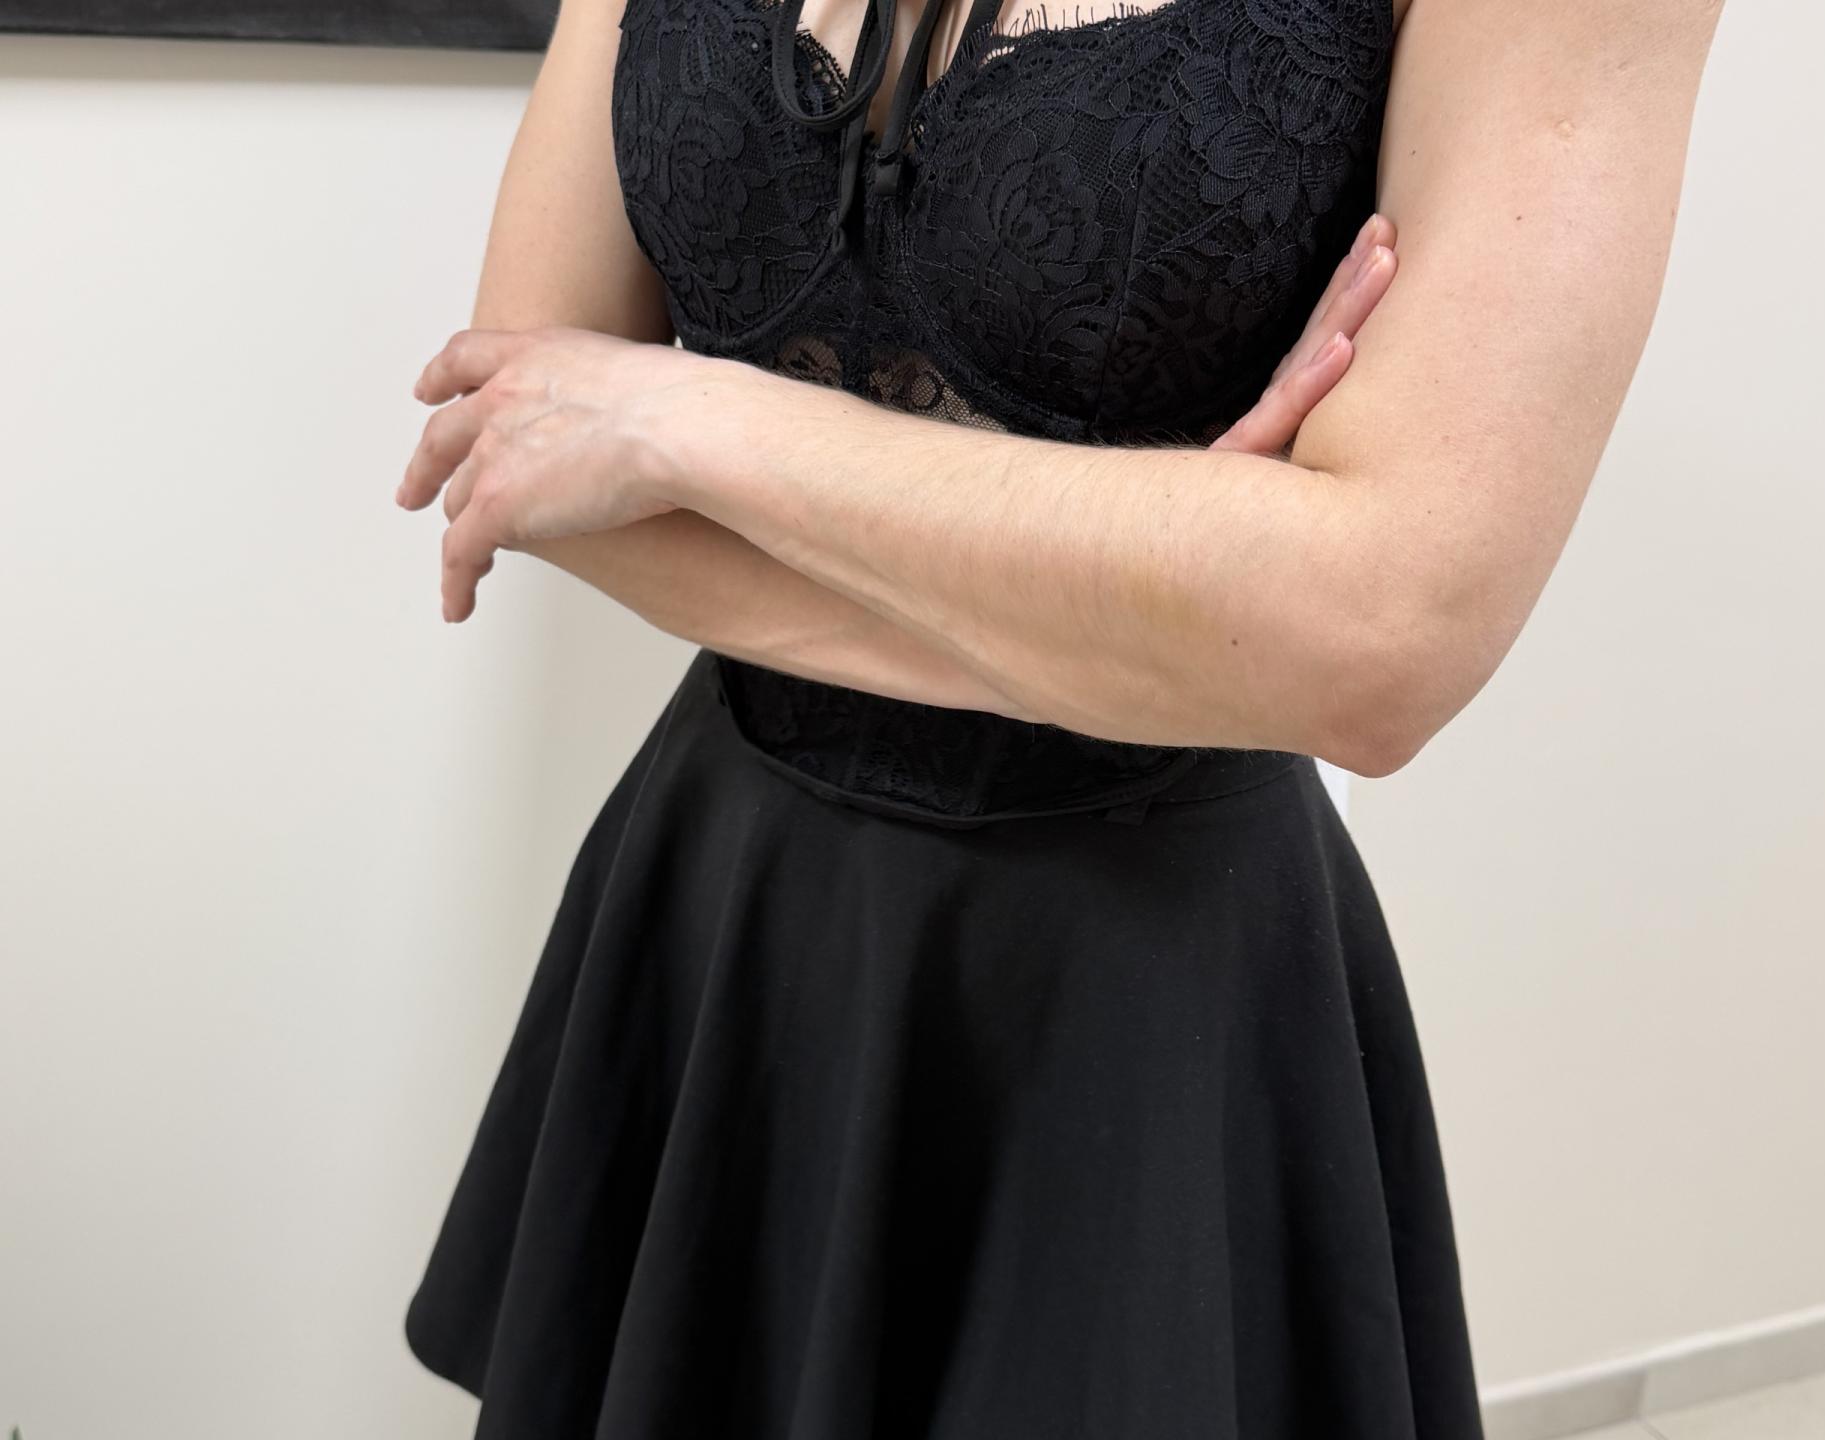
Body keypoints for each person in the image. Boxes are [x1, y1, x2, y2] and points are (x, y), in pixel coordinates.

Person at [393, 0, 1724, 1432]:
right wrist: (1155, 604)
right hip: (728, 916)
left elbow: (1384, 638)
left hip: (1141, 993)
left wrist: (694, 426)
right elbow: (520, 430)